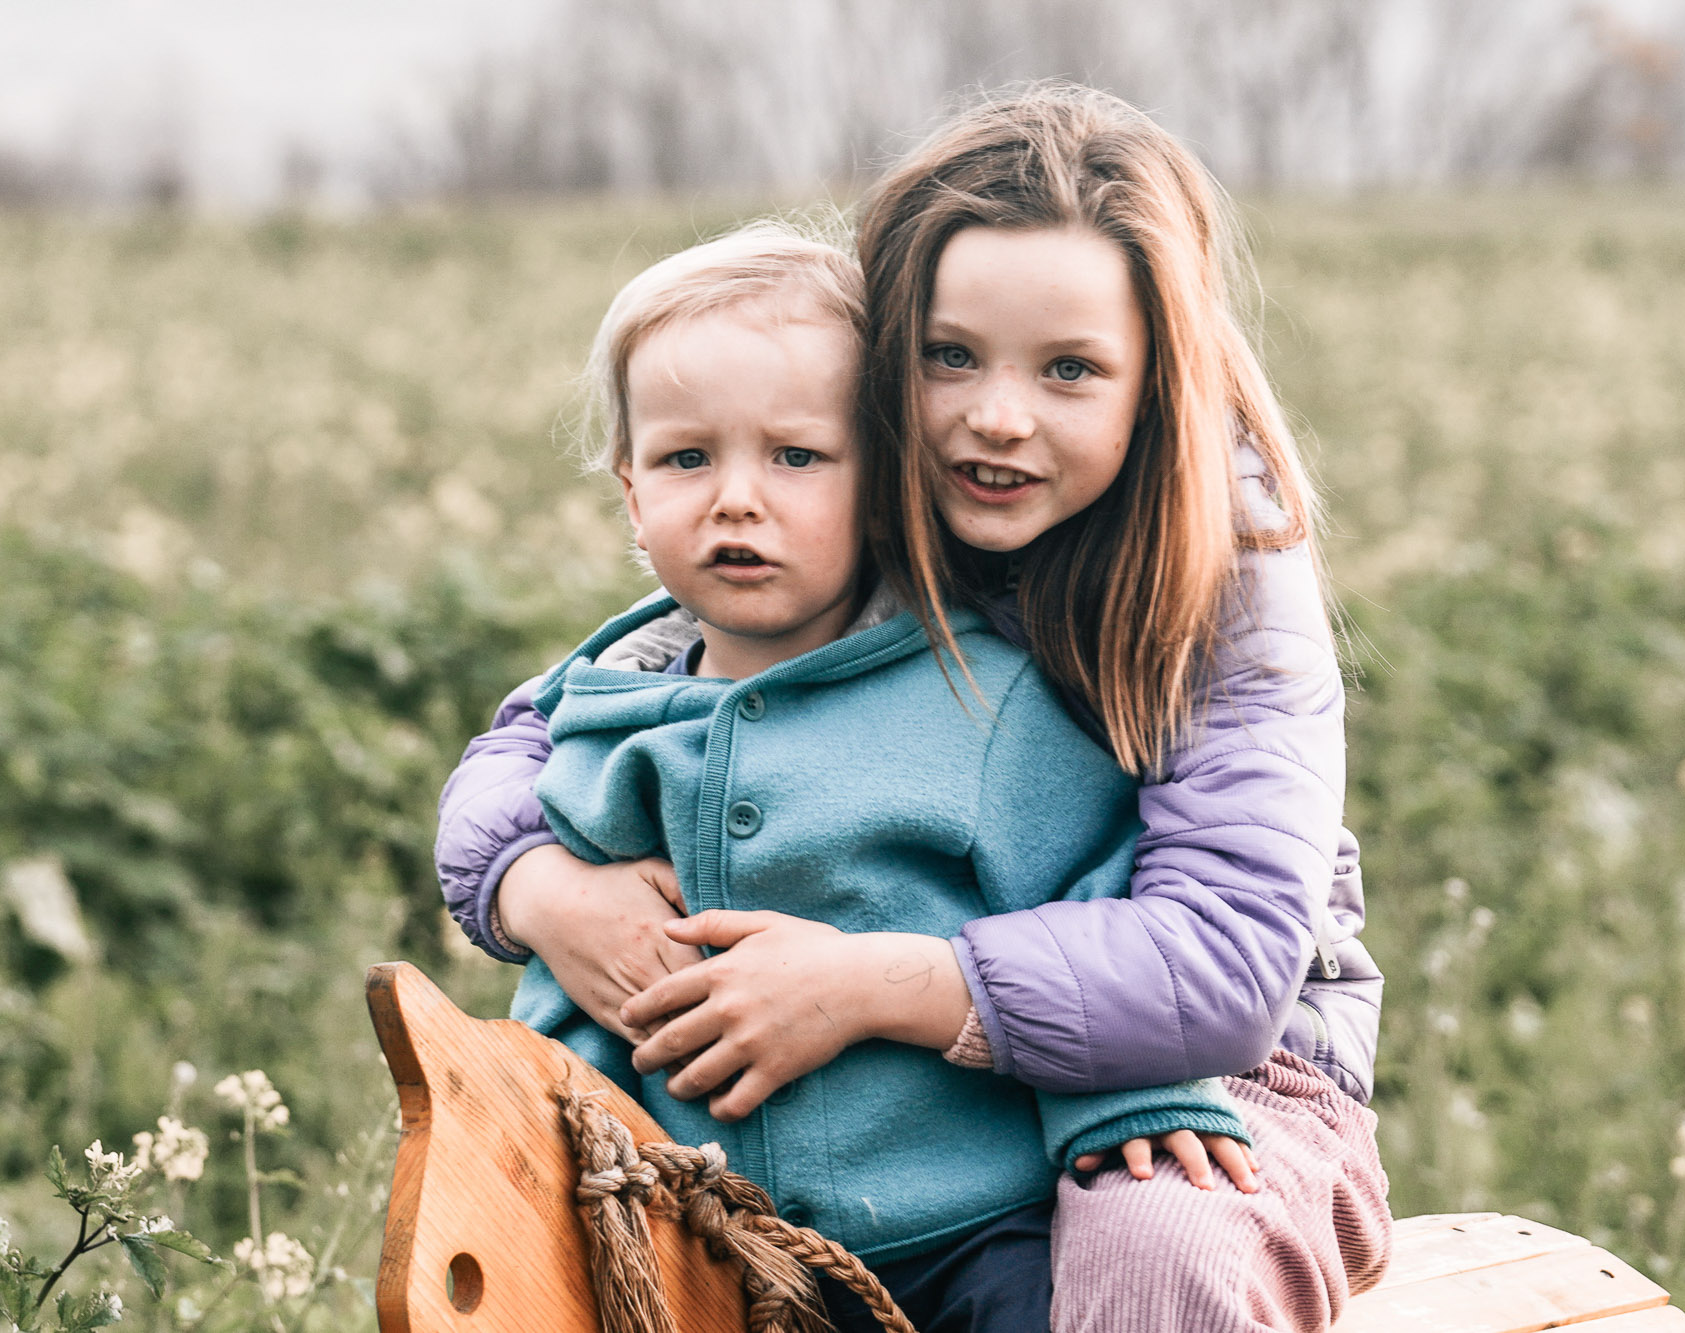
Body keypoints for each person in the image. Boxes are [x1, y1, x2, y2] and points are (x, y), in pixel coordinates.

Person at [439, 85, 1390, 1331]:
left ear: (1156, 381)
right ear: (880, 370)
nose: (998, 415)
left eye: (1070, 369)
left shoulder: (1221, 555)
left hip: (1214, 1060)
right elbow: (547, 734)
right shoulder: (839, 492)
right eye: (950, 356)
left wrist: (861, 985)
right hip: (920, 1068)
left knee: (1152, 1245)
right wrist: (539, 887)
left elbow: (1223, 964)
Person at [508, 222, 1252, 1333]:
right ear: (629, 491)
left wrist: (1130, 1096)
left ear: (886, 478)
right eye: (686, 459)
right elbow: (570, 982)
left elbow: (1099, 893)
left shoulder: (980, 696)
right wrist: (567, 1137)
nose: (736, 499)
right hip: (706, 1240)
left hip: (964, 1226)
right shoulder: (602, 717)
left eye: (796, 457)